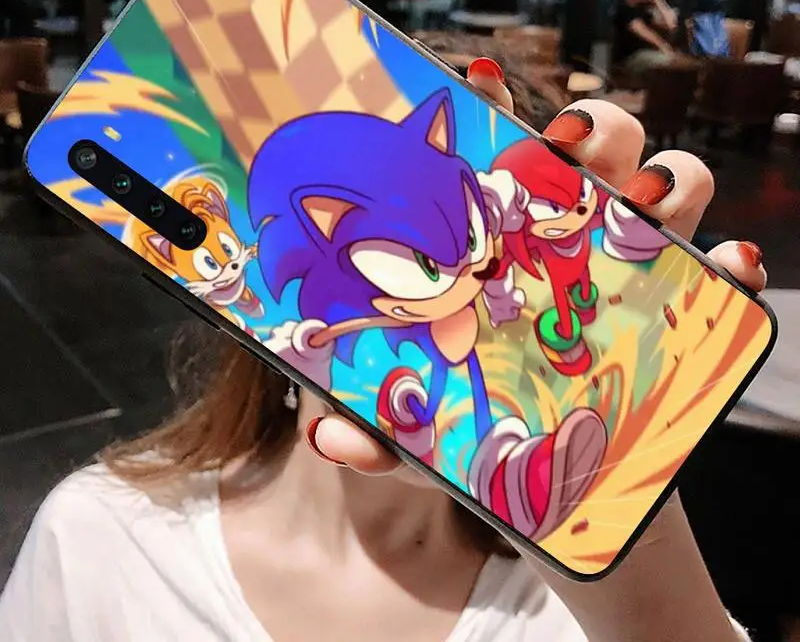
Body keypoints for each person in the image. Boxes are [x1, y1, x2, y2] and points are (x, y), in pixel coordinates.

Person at [0, 62, 765, 642]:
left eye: (484, 248)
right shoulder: (100, 541)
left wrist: (634, 554)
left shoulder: (573, 604)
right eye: (433, 261)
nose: (466, 281)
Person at [614, 0, 680, 81]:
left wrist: (658, 0)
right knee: (670, 62)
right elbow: (643, 31)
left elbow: (671, 25)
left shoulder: (641, 10)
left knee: (677, 60)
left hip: (646, 54)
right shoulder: (624, 9)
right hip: (631, 58)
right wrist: (663, 47)